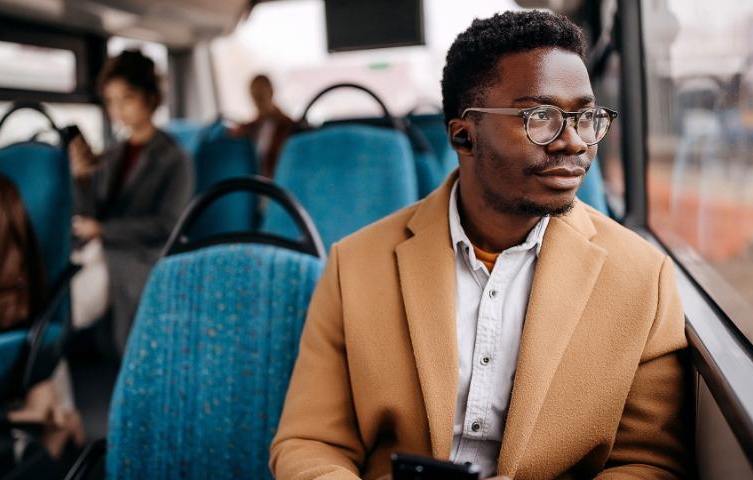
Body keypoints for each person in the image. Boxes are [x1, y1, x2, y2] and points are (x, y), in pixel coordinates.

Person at [271, 11, 689, 480]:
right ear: (463, 136)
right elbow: (310, 442)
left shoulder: (643, 277)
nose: (574, 142)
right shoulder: (355, 265)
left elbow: (648, 462)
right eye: (541, 118)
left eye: (586, 117)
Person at [69, 49, 193, 355]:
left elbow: (168, 224)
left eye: (126, 99)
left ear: (150, 98)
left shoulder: (175, 158)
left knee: (74, 299)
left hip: (144, 254)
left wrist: (103, 231)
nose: (117, 110)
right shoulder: (111, 155)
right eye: (110, 101)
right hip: (106, 248)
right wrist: (81, 180)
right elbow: (92, 212)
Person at [230, 74, 294, 178]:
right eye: (255, 96)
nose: (258, 102)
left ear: (271, 92)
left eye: (261, 95)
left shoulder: (289, 127)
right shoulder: (249, 128)